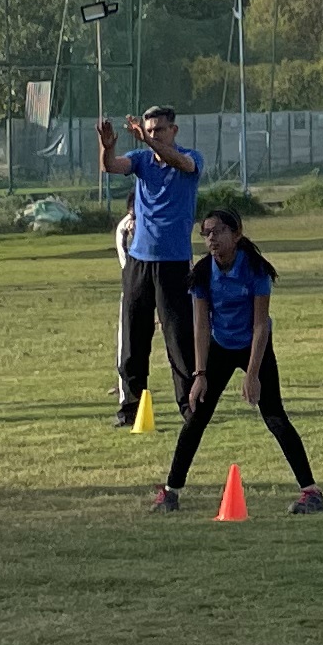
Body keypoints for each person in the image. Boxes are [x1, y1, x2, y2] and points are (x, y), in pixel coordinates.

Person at [156, 206, 323, 513]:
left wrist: (253, 373)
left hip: (253, 345)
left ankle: (311, 492)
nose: (211, 239)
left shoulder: (255, 270)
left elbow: (261, 324)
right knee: (196, 417)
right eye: (206, 233)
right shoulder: (203, 273)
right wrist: (200, 374)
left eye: (218, 231)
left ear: (236, 234)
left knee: (274, 416)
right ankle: (170, 492)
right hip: (220, 347)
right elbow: (201, 325)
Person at [100, 107, 204, 430]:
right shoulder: (142, 161)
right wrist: (107, 147)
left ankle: (191, 408)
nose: (154, 135)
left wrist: (148, 140)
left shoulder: (191, 159)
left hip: (173, 262)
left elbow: (177, 161)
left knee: (179, 337)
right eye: (150, 130)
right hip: (139, 261)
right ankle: (130, 408)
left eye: (160, 130)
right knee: (134, 336)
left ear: (174, 130)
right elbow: (112, 167)